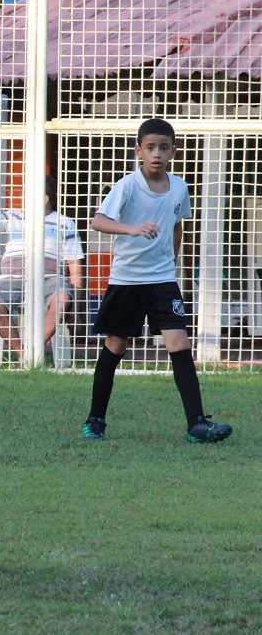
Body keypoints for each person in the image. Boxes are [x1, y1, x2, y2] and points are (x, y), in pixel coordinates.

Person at [82, 118, 232, 444]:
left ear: (173, 152)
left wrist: (172, 261)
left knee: (179, 343)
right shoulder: (127, 186)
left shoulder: (179, 187)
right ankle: (95, 420)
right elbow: (98, 221)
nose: (156, 154)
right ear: (139, 150)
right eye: (150, 147)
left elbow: (177, 224)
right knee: (116, 345)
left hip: (163, 280)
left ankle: (196, 424)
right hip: (128, 281)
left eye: (163, 148)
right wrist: (132, 228)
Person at [0, 185, 85, 363]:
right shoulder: (12, 216)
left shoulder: (65, 222)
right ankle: (25, 356)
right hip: (12, 279)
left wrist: (76, 304)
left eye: (27, 196)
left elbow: (74, 265)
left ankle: (35, 352)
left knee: (62, 299)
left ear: (45, 199)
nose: (23, 200)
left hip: (51, 278)